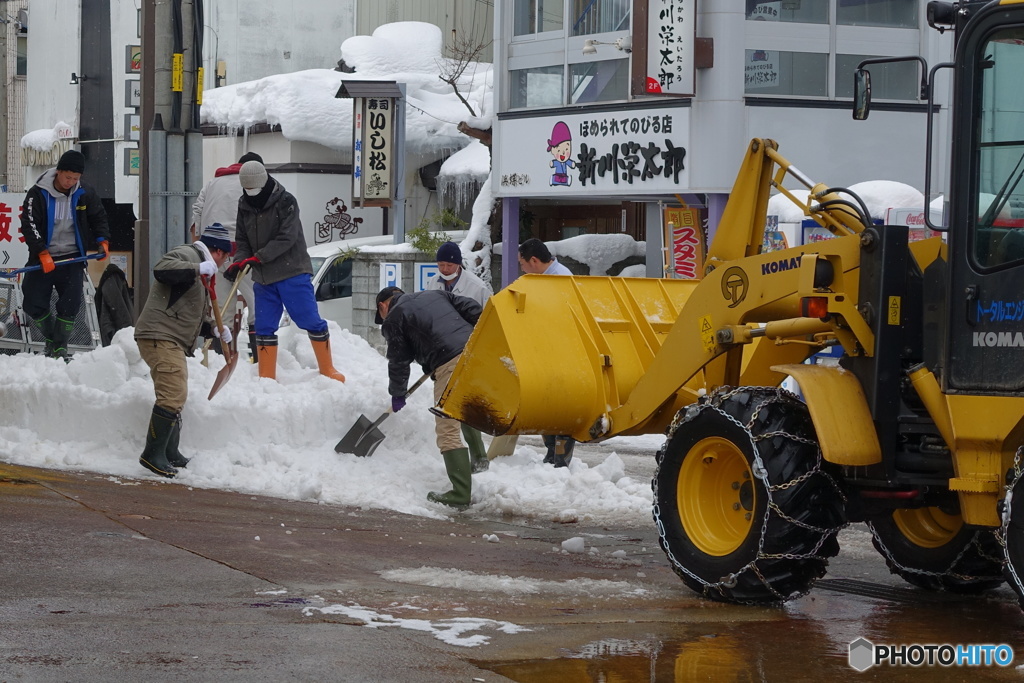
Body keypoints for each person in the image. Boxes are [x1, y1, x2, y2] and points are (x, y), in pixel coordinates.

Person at [226, 160, 345, 382]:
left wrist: (258, 257)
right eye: (247, 189)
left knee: (308, 319)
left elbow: (287, 237)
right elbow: (242, 240)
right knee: (263, 325)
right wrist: (240, 261)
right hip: (263, 276)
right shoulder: (244, 204)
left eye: (254, 188)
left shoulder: (286, 201)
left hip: (292, 271)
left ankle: (327, 368)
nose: (251, 193)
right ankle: (266, 375)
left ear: (264, 182)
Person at [134, 224, 234, 478]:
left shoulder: (204, 273)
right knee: (173, 392)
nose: (224, 264)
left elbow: (190, 315)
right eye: (226, 257)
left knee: (176, 392)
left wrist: (213, 329)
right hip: (159, 335)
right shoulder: (189, 256)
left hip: (170, 337)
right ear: (218, 252)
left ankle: (169, 451)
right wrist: (196, 268)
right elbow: (162, 269)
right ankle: (152, 454)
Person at [375, 285, 483, 509]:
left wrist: (397, 393)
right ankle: (480, 458)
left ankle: (460, 493)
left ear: (383, 306)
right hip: (477, 354)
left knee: (447, 427)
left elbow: (399, 361)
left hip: (449, 364)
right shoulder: (435, 294)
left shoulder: (394, 317)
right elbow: (474, 309)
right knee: (465, 406)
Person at [19, 149, 110, 360]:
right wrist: (42, 252)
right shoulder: (37, 193)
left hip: (72, 258)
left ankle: (59, 347)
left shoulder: (85, 192)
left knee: (70, 304)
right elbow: (29, 224)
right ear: (58, 172)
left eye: (75, 178)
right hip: (44, 259)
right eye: (67, 177)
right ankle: (52, 338)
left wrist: (102, 241)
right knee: (32, 302)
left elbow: (99, 217)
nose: (70, 182)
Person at [425, 240, 492, 472]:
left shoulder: (477, 287)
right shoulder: (433, 283)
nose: (443, 269)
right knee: (453, 403)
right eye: (440, 264)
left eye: (448, 265)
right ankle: (475, 456)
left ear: (457, 264)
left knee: (462, 403)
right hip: (443, 350)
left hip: (468, 350)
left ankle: (478, 455)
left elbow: (488, 321)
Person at [191, 152, 260, 357]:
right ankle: (260, 358)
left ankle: (221, 359)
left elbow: (196, 214)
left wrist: (200, 249)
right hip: (245, 253)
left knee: (220, 310)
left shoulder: (212, 184)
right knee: (258, 305)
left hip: (215, 253)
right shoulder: (255, 185)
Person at [518, 237, 576, 467]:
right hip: (546, 349)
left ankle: (560, 456)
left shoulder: (561, 278)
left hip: (562, 350)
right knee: (548, 401)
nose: (520, 267)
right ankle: (552, 451)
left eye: (521, 263)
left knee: (561, 403)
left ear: (533, 260)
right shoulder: (540, 278)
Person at [93, 262, 134, 346]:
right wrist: (126, 326)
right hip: (113, 327)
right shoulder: (115, 279)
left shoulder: (109, 280)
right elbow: (116, 304)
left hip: (109, 326)